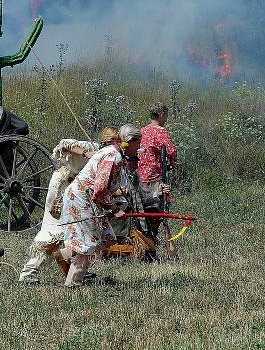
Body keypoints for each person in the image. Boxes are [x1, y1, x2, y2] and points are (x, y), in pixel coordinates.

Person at [18, 129, 115, 284]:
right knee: (52, 232)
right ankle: (29, 273)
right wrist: (85, 153)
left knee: (78, 233)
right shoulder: (91, 147)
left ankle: (75, 269)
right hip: (62, 188)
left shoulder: (108, 156)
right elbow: (64, 144)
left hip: (79, 194)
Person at [59, 125, 141, 287]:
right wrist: (116, 210)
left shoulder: (113, 152)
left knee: (104, 238)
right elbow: (99, 190)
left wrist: (117, 194)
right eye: (138, 144)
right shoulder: (113, 156)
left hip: (85, 198)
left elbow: (101, 187)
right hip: (82, 199)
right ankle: (73, 283)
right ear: (130, 142)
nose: (139, 148)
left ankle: (63, 255)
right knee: (88, 242)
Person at [137, 103, 177, 235]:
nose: (166, 118)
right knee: (157, 207)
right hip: (154, 174)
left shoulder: (142, 130)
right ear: (161, 115)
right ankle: (151, 235)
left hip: (139, 174)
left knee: (142, 205)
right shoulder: (160, 131)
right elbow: (171, 151)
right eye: (166, 115)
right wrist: (172, 163)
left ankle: (144, 232)